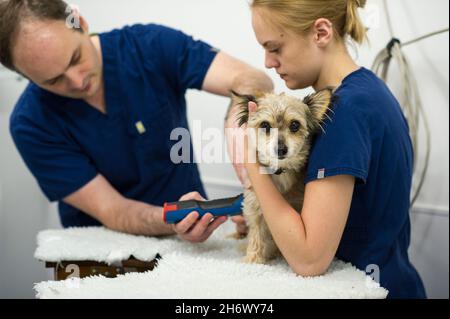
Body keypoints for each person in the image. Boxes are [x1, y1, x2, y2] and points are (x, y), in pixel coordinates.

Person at [0, 0, 273, 243]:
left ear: (79, 22)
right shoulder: (30, 122)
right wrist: (172, 220)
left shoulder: (149, 47)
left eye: (75, 58)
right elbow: (113, 210)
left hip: (194, 246)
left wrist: (238, 122)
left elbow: (253, 79)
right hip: (101, 254)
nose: (77, 81)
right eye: (52, 80)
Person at [228, 0, 427, 299]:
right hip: (393, 279)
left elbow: (309, 259)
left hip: (366, 289)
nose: (268, 62)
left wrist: (251, 160)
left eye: (275, 48)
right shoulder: (370, 90)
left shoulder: (342, 111)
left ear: (321, 32)